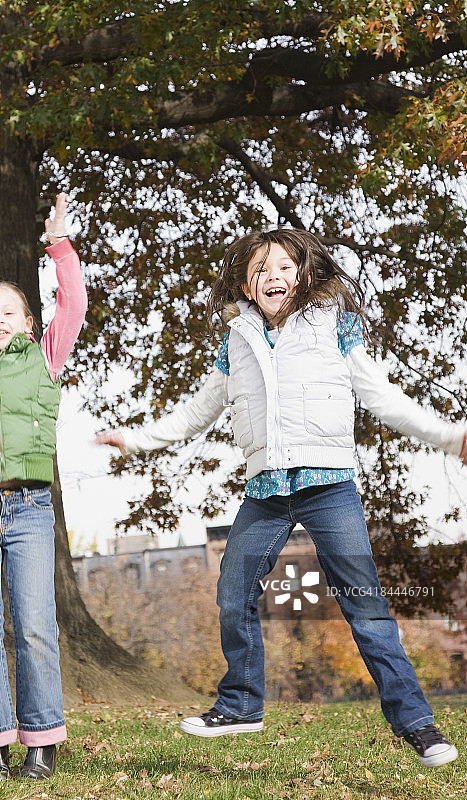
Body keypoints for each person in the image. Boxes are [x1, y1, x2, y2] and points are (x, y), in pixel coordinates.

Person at [97, 228, 466, 768]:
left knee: (364, 605)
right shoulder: (236, 340)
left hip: (330, 484)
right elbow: (196, 411)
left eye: (284, 267)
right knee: (233, 592)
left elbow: (381, 396)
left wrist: (451, 436)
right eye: (260, 269)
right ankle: (242, 705)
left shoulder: (333, 326)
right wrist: (134, 439)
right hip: (267, 490)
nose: (273, 276)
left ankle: (418, 725)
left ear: (304, 275)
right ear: (246, 287)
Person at [0, 194, 87, 780]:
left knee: (33, 624)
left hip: (28, 508)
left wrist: (59, 246)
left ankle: (41, 740)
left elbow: (74, 304)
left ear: (28, 323)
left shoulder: (44, 355)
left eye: (5, 312)